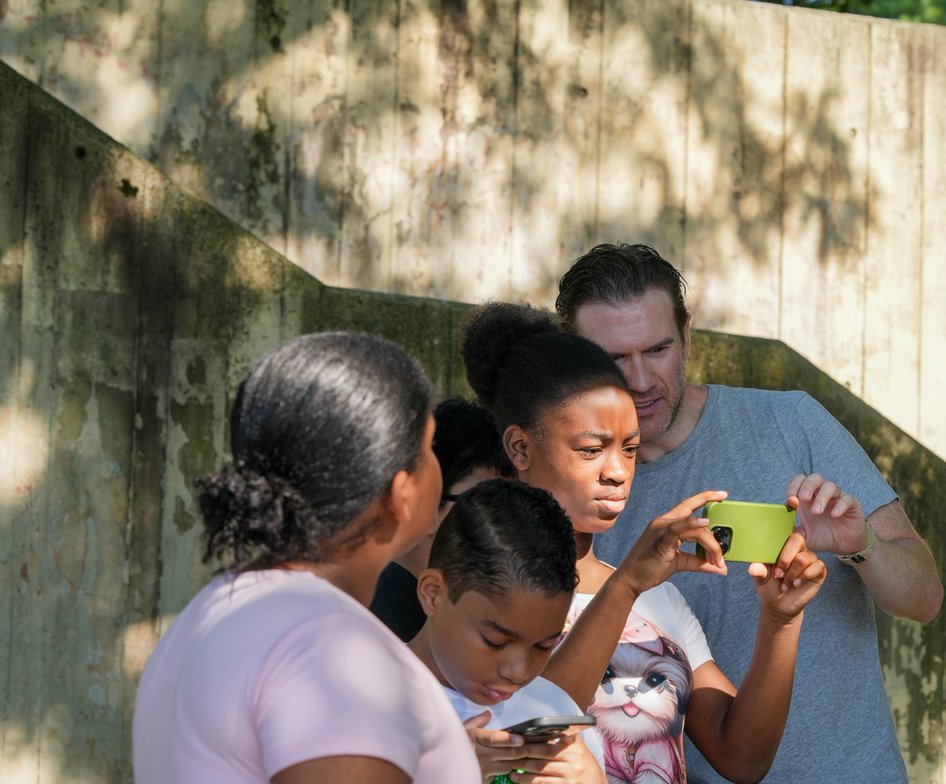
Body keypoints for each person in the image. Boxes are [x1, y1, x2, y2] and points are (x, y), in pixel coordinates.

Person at [555, 243, 946, 783]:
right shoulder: (576, 497)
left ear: (688, 335)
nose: (641, 380)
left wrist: (863, 546)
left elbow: (925, 599)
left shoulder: (792, 422)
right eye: (614, 359)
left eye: (658, 349)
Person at [460, 302, 831, 784]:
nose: (617, 472)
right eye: (591, 450)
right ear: (520, 448)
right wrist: (627, 586)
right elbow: (528, 732)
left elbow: (742, 759)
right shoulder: (473, 590)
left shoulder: (658, 597)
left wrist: (781, 621)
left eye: (629, 449)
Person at [131, 332, 479, 784]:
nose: (437, 464)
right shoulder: (336, 652)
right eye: (429, 448)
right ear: (400, 492)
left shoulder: (214, 607)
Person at [409, 477, 606, 783]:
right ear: (434, 593)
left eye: (544, 646)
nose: (518, 671)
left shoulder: (553, 708)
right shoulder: (361, 703)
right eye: (496, 641)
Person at [371, 397, 514, 641]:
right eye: (485, 504)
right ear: (419, 503)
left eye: (512, 506)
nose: (504, 526)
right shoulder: (383, 621)